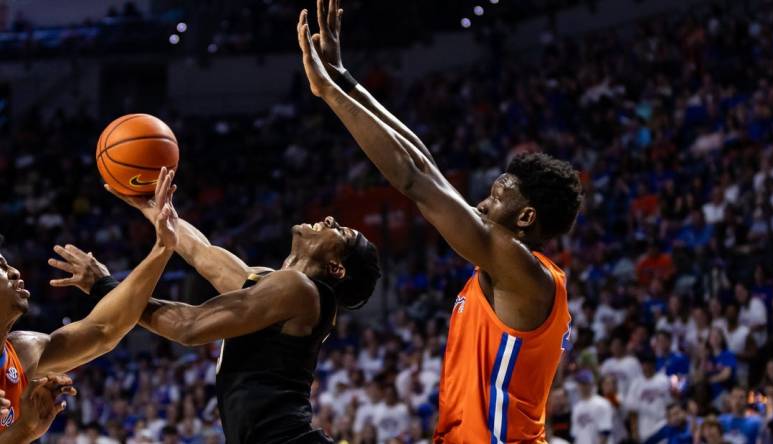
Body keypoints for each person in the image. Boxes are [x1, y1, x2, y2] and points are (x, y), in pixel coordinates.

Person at [296, 1, 581, 441]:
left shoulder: (520, 270)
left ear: (525, 217)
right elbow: (423, 160)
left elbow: (413, 179)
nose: (482, 205)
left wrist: (329, 94)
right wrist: (345, 79)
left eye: (496, 197)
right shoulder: (511, 271)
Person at [52, 191, 381, 443]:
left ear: (337, 268)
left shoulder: (301, 291)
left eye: (339, 231)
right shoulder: (276, 286)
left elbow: (189, 327)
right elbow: (201, 254)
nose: (327, 219)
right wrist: (152, 206)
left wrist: (105, 287)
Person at [0, 167, 178, 435]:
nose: (14, 270)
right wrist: (24, 433)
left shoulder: (23, 351)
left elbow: (104, 330)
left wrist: (163, 248)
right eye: (0, 265)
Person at [571, 370, 614, 444]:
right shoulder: (576, 407)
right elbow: (575, 434)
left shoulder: (602, 403)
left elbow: (605, 432)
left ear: (591, 384)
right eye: (580, 383)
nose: (582, 386)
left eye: (584, 383)